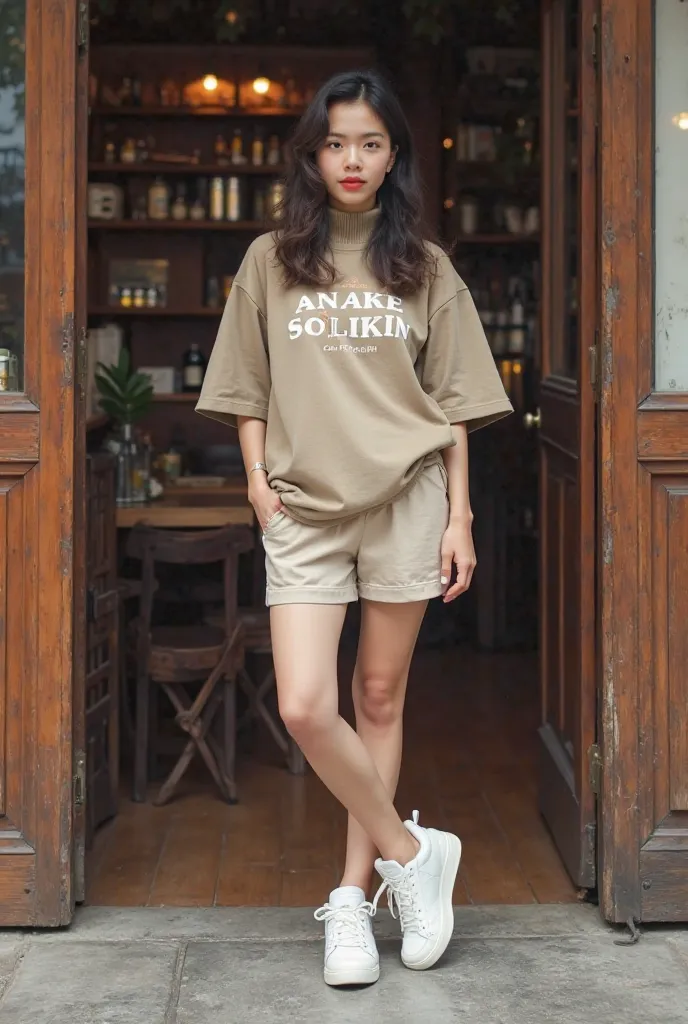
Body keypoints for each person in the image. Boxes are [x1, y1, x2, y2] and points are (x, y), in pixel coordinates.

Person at [196, 68, 513, 987]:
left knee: (377, 698)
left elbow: (454, 404)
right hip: (300, 505)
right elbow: (246, 387)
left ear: (394, 157)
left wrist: (459, 516)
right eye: (335, 142)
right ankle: (413, 857)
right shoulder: (271, 259)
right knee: (305, 703)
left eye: (370, 143)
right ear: (311, 153)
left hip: (408, 499)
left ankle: (350, 901)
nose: (351, 159)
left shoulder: (425, 265)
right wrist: (257, 483)